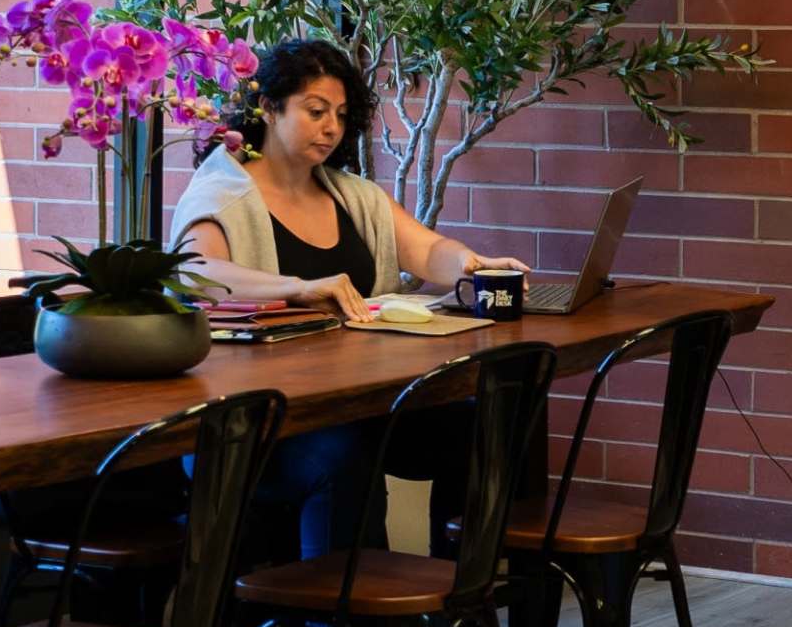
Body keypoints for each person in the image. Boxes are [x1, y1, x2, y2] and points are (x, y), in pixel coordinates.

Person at [165, 37, 523, 564]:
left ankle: (459, 600)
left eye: (339, 113)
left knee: (484, 426)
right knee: (345, 456)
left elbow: (428, 251)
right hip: (263, 423)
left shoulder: (351, 195)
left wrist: (475, 265)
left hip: (358, 401)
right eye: (315, 111)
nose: (331, 127)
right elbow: (197, 273)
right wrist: (299, 288)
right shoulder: (222, 191)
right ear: (266, 107)